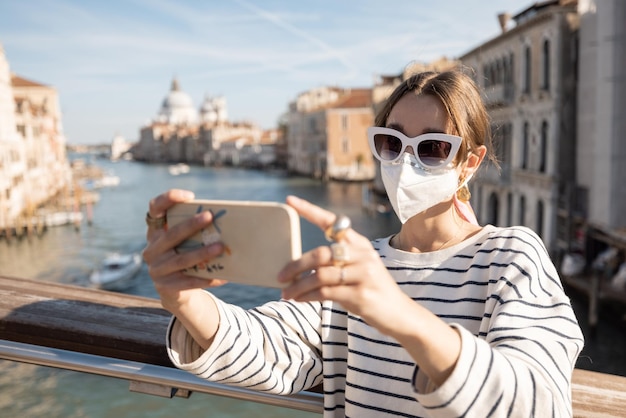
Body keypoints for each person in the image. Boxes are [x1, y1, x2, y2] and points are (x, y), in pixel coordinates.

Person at [143, 69, 584, 417]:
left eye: (431, 148)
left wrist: (396, 312)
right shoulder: (357, 264)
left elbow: (539, 403)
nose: (405, 161)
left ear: (468, 164)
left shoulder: (509, 257)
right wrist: (184, 298)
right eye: (392, 142)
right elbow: (277, 351)